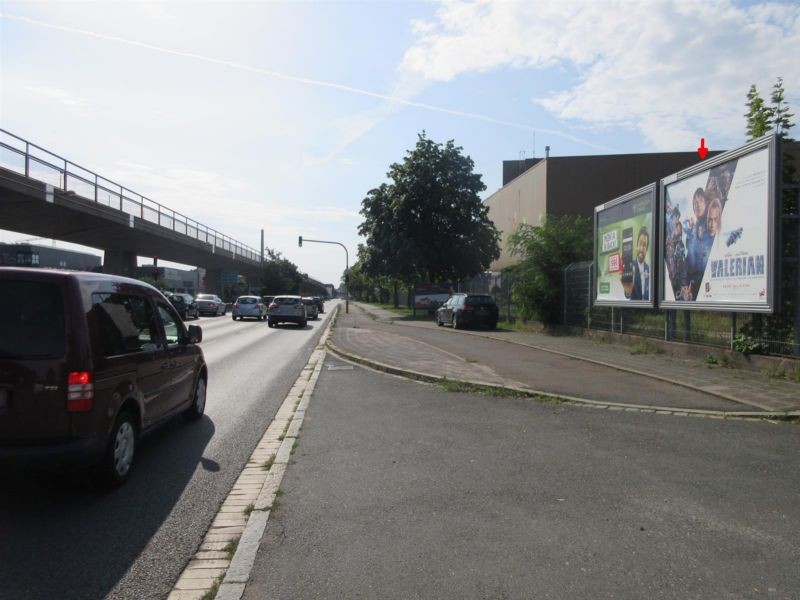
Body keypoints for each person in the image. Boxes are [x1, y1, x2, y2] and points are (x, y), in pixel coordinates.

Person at [630, 226, 650, 301]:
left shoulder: (647, 268)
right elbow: (627, 293)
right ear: (636, 245)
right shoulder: (631, 265)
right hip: (633, 308)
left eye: (644, 245)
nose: (641, 248)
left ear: (647, 249)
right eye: (640, 244)